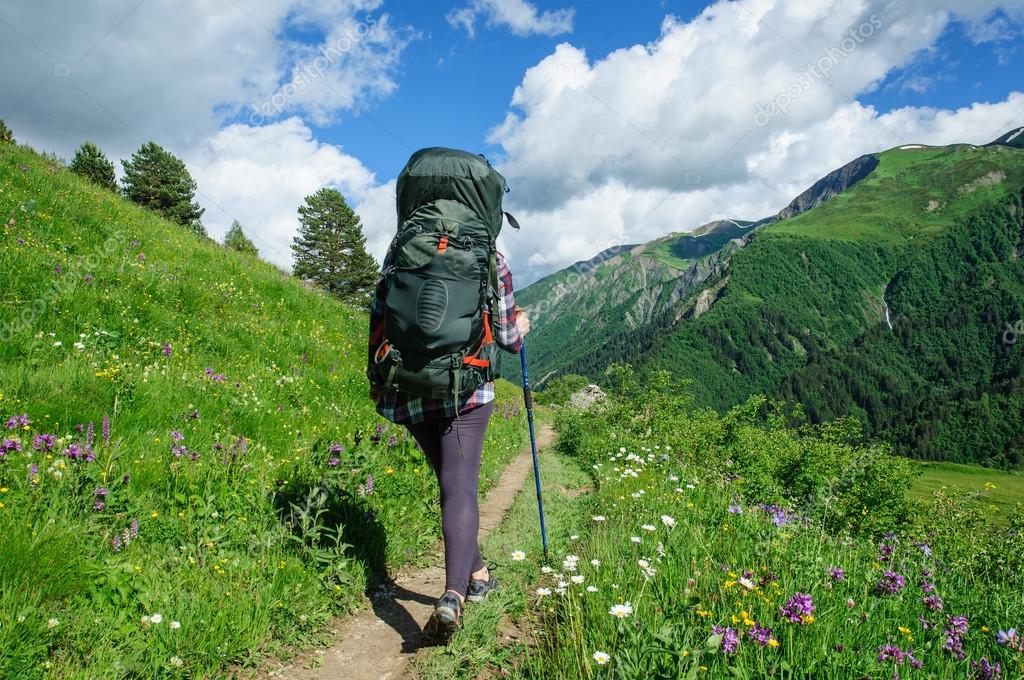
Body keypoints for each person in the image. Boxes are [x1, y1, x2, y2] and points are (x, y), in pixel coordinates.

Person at [367, 249, 530, 641]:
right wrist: (521, 324)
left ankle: (478, 576)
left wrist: (375, 379)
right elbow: (508, 339)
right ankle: (455, 592)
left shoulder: (401, 251)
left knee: (450, 485)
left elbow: (379, 315)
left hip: (408, 386)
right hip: (466, 391)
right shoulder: (492, 259)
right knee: (459, 489)